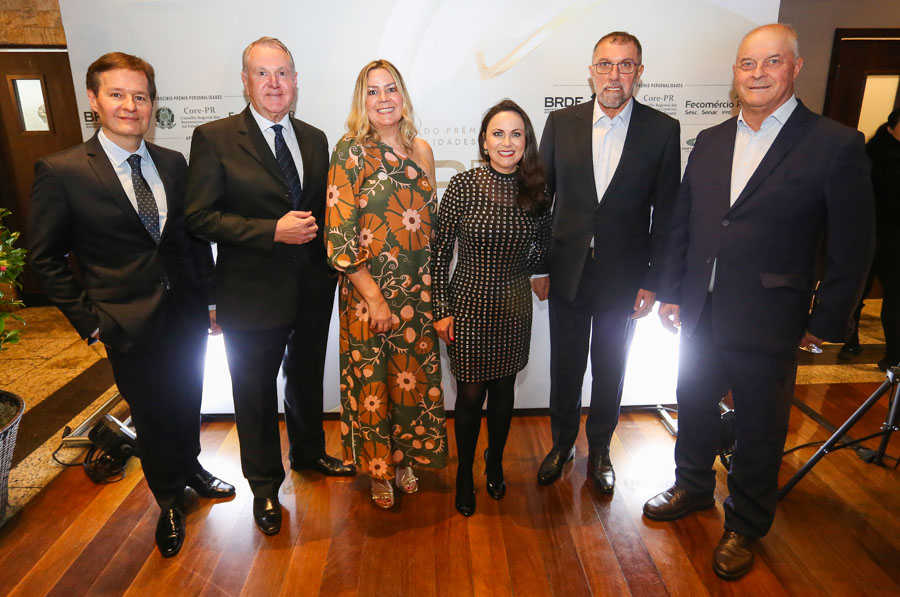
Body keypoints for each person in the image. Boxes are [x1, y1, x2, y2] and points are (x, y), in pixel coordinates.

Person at [644, 24, 874, 580]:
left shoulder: (835, 144)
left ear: (795, 68)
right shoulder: (711, 139)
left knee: (760, 425)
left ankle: (746, 522)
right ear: (735, 73)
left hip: (772, 316)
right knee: (694, 401)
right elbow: (685, 222)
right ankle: (692, 485)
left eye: (772, 62)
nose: (758, 73)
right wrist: (673, 290)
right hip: (701, 308)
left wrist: (827, 319)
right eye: (748, 63)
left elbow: (854, 245)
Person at [28, 52, 234, 558]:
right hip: (123, 322)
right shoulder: (62, 171)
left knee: (186, 399)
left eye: (140, 96)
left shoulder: (173, 163)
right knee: (151, 412)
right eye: (117, 94)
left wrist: (209, 300)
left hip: (185, 313)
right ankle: (168, 499)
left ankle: (191, 468)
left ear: (152, 104)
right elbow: (45, 259)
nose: (130, 106)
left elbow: (188, 240)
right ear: (93, 100)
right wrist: (91, 322)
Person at [184, 37, 353, 536]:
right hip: (251, 293)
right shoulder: (214, 138)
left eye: (282, 73)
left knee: (305, 378)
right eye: (263, 73)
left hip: (312, 288)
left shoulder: (315, 138)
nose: (274, 83)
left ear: (296, 81)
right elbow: (198, 217)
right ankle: (263, 486)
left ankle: (308, 453)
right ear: (245, 81)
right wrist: (269, 231)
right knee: (254, 394)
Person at [534, 31, 680, 492]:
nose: (614, 75)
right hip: (567, 272)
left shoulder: (663, 130)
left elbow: (667, 214)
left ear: (640, 72)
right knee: (566, 365)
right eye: (605, 64)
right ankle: (561, 445)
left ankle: (599, 450)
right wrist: (540, 266)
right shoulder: (561, 123)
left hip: (625, 278)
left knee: (611, 367)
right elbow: (540, 201)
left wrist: (654, 281)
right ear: (591, 71)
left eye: (625, 65)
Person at [325, 59, 447, 509]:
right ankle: (379, 471)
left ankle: (406, 459)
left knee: (410, 381)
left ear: (403, 95)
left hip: (418, 292)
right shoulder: (350, 151)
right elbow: (339, 236)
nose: (383, 99)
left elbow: (431, 229)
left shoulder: (422, 150)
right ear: (362, 101)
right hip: (368, 296)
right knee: (374, 387)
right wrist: (375, 299)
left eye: (390, 88)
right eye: (372, 91)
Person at [433, 100, 551, 516]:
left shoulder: (537, 190)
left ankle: (495, 462)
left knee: (503, 393)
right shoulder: (462, 186)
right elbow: (439, 252)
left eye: (516, 134)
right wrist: (441, 309)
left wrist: (531, 270)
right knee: (469, 395)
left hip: (514, 306)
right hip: (467, 304)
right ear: (484, 141)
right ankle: (464, 474)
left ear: (526, 142)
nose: (507, 142)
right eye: (498, 133)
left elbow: (541, 248)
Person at [841, 109, 900, 370]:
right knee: (857, 293)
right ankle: (849, 340)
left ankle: (893, 355)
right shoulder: (872, 155)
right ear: (891, 126)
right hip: (868, 236)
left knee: (894, 298)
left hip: (893, 240)